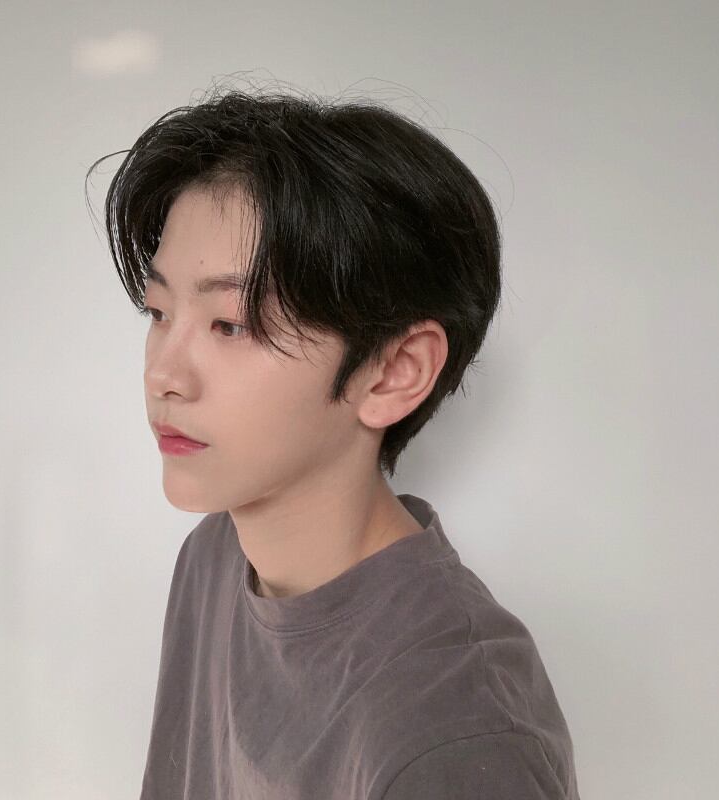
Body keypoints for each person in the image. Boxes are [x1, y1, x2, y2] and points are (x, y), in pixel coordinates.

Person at [86, 84, 581, 799]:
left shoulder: (459, 734)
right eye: (158, 312)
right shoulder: (214, 558)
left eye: (231, 324)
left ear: (396, 371)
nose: (163, 374)